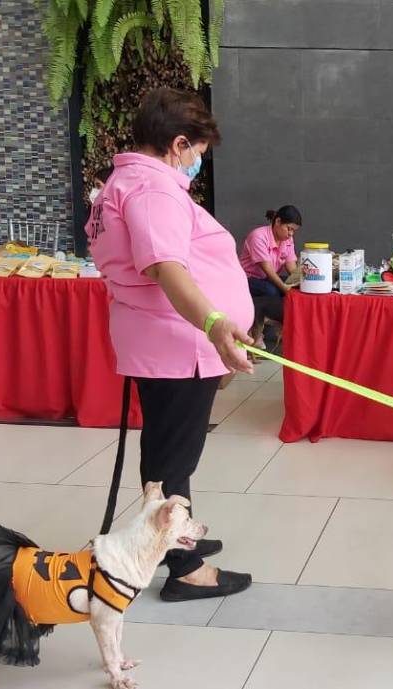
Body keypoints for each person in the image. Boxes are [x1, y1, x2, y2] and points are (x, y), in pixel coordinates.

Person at [87, 87, 254, 602]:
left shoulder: (128, 181)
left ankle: (170, 534)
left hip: (163, 341)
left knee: (164, 447)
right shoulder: (153, 191)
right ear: (179, 144)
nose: (198, 162)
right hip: (179, 345)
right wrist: (215, 324)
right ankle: (184, 566)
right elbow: (167, 268)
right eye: (199, 153)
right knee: (174, 456)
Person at [239, 206, 300, 348]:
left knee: (293, 288)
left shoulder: (288, 240)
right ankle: (258, 334)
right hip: (248, 279)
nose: (291, 234)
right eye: (289, 228)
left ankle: (286, 330)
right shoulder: (258, 236)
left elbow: (291, 266)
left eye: (294, 231)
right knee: (272, 291)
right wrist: (285, 288)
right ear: (278, 221)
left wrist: (298, 282)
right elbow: (268, 271)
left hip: (268, 278)